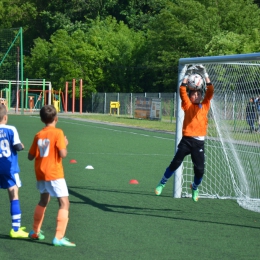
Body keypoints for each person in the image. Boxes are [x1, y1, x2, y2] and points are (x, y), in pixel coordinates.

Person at [155, 65, 214, 202]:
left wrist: (204, 73)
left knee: (199, 170)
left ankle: (195, 187)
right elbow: (182, 90)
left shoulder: (205, 105)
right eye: (193, 94)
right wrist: (187, 75)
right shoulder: (187, 105)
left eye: (198, 93)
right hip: (187, 141)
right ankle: (162, 182)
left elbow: (210, 90)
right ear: (190, 96)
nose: (196, 95)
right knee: (176, 162)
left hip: (199, 142)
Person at [28, 105, 76, 247]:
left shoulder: (38, 135)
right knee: (64, 203)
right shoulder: (58, 133)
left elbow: (30, 156)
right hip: (54, 173)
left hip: (40, 173)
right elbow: (63, 154)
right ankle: (59, 237)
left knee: (43, 200)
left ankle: (35, 231)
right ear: (56, 119)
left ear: (42, 119)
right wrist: (65, 144)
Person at [0, 105, 29, 238]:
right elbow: (17, 146)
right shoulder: (11, 129)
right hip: (8, 167)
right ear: (5, 117)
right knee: (13, 194)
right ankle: (15, 229)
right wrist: (22, 145)